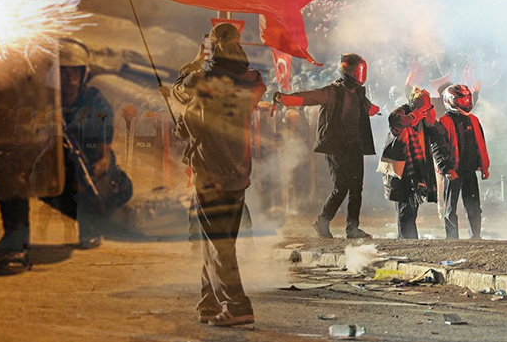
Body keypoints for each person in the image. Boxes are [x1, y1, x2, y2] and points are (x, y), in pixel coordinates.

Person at [170, 22, 265, 327]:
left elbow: (179, 90)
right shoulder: (252, 81)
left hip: (211, 171)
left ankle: (237, 305)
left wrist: (197, 61)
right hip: (238, 170)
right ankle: (208, 303)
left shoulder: (204, 79)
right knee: (213, 239)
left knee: (216, 243)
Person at [273, 53, 380, 239]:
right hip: (337, 145)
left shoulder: (360, 93)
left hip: (355, 145)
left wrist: (376, 110)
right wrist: (287, 99)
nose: (361, 74)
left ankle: (353, 229)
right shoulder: (333, 91)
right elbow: (310, 97)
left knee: (356, 188)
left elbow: (369, 109)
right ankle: (322, 220)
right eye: (357, 70)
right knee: (341, 186)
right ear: (348, 71)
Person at [42, 38, 132, 249]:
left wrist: (97, 171)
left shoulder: (95, 102)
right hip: (52, 167)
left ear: (84, 73)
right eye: (63, 71)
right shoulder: (44, 100)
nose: (69, 78)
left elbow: (103, 151)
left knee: (118, 186)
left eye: (75, 71)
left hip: (87, 163)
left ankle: (92, 223)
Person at [379, 87, 455, 239]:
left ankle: (408, 241)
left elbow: (440, 141)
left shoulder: (426, 122)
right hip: (401, 172)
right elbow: (396, 121)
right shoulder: (401, 114)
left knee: (411, 210)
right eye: (422, 109)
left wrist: (432, 123)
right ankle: (408, 243)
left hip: (417, 171)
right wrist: (415, 116)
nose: (425, 112)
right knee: (405, 211)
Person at [438, 83, 489, 239]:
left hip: (470, 170)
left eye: (467, 99)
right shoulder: (445, 121)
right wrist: (446, 169)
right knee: (450, 208)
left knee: (474, 206)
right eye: (461, 100)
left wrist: (484, 166)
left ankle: (476, 236)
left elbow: (480, 143)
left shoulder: (473, 120)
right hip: (453, 171)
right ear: (450, 101)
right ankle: (452, 239)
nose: (465, 103)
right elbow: (439, 148)